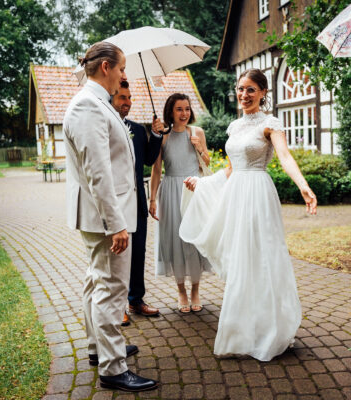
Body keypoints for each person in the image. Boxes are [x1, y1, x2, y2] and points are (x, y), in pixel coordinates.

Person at [179, 68, 317, 362]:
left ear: (264, 93)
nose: (244, 95)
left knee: (262, 257)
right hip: (236, 194)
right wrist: (202, 182)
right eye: (241, 89)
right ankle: (243, 329)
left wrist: (303, 186)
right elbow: (230, 169)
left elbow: (285, 156)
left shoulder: (270, 123)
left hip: (258, 193)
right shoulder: (233, 126)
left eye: (251, 89)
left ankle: (271, 329)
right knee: (241, 258)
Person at [63, 42, 158, 392]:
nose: (123, 76)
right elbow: (98, 172)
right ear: (105, 68)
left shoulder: (96, 104)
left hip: (100, 215)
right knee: (110, 289)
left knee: (96, 282)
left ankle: (98, 348)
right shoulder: (89, 107)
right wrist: (116, 223)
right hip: (106, 218)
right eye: (121, 69)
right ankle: (113, 368)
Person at [149, 93, 211, 313]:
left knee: (193, 239)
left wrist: (199, 148)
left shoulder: (197, 132)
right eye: (179, 109)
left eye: (187, 109)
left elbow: (207, 162)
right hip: (171, 191)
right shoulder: (163, 137)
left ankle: (195, 289)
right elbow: (156, 170)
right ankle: (181, 291)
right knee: (174, 239)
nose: (184, 113)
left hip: (194, 189)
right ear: (170, 112)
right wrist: (152, 198)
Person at [110, 80, 163, 325]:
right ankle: (117, 305)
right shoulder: (106, 127)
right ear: (111, 97)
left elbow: (150, 160)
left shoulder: (137, 129)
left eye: (130, 98)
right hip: (116, 203)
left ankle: (136, 299)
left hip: (138, 202)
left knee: (138, 253)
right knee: (118, 257)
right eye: (122, 97)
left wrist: (155, 134)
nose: (128, 102)